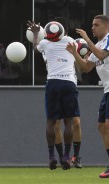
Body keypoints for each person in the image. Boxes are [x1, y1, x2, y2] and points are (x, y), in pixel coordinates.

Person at [66, 15, 109, 178]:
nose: (92, 28)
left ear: (105, 27)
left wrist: (87, 40)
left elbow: (101, 55)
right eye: (92, 25)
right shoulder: (98, 45)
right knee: (101, 127)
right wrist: (75, 53)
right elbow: (86, 68)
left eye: (96, 25)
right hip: (108, 90)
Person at [27, 20, 80, 170]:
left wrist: (37, 32)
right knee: (68, 122)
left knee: (51, 121)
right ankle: (66, 157)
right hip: (69, 83)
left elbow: (35, 48)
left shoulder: (45, 43)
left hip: (53, 83)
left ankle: (51, 156)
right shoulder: (70, 41)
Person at [51, 17, 82, 169]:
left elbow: (82, 65)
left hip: (71, 84)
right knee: (56, 122)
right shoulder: (49, 46)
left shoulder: (72, 43)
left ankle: (75, 157)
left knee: (75, 122)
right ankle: (62, 158)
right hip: (56, 83)